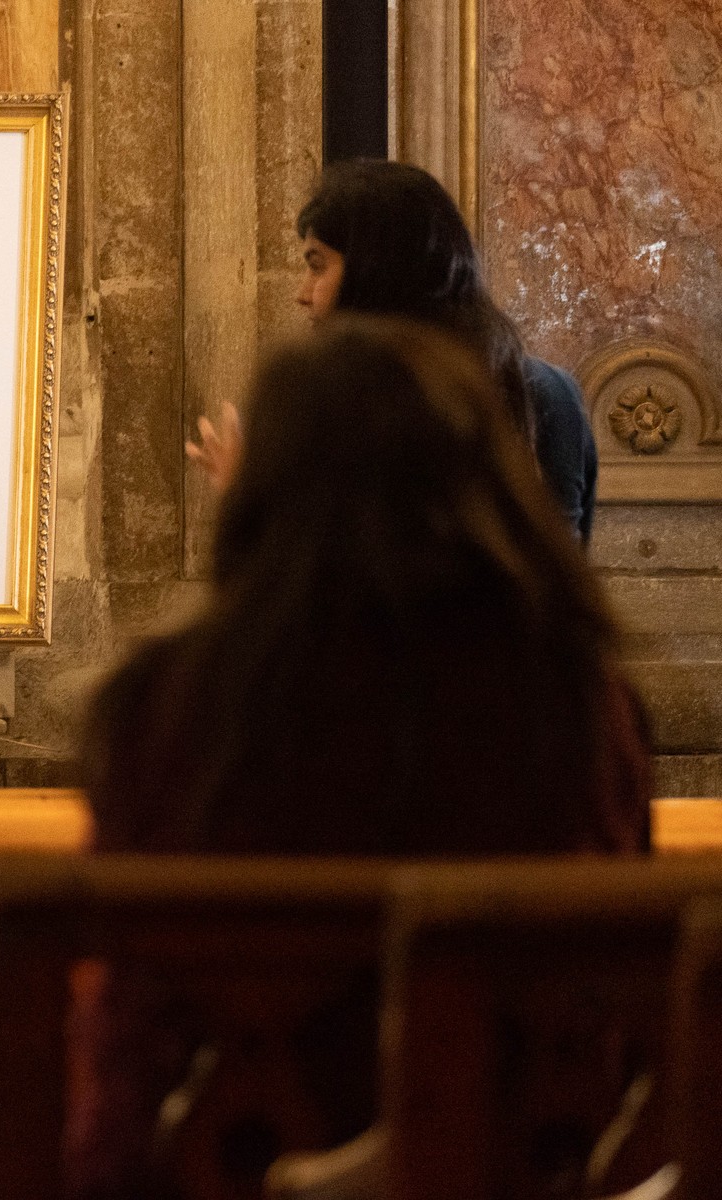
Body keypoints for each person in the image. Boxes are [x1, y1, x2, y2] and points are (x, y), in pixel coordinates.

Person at [72, 317, 650, 1198]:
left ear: (267, 484)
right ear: (478, 482)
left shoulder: (170, 699)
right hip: (518, 1171)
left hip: (213, 1167)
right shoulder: (574, 699)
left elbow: (135, 1022)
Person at [188, 160, 600, 545]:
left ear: (377, 272)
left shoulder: (537, 394)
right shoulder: (327, 404)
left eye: (317, 266)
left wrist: (253, 508)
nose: (302, 293)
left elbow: (542, 596)